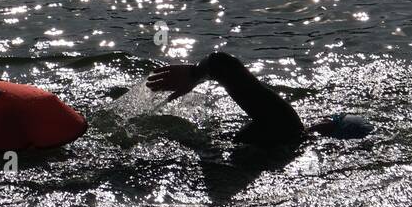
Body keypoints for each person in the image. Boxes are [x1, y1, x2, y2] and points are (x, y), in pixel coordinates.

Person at [147, 51, 372, 148]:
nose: (322, 119)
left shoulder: (288, 127)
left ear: (328, 132)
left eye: (332, 120)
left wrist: (194, 75)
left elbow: (220, 63)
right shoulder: (286, 152)